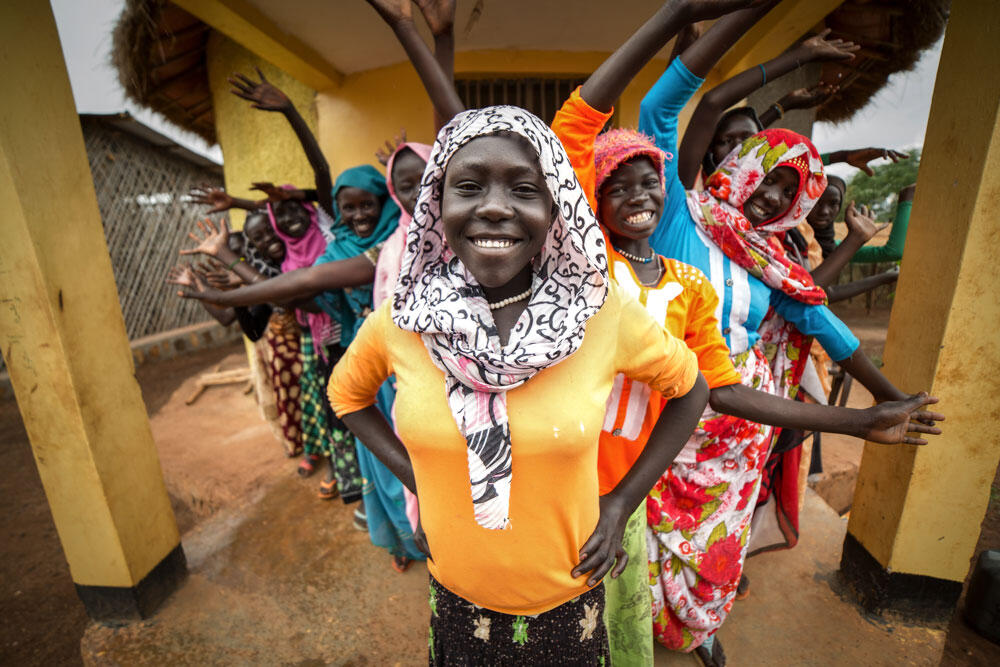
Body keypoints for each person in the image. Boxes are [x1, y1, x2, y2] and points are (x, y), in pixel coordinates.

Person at [633, 24, 941, 661]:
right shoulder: (679, 214)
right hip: (658, 412)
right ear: (741, 166)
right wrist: (789, 60)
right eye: (766, 176)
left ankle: (699, 629)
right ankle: (645, 627)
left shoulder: (778, 266)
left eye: (787, 192)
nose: (770, 195)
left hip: (741, 424)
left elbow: (826, 326)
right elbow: (671, 108)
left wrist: (894, 399)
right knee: (642, 537)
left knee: (718, 543)